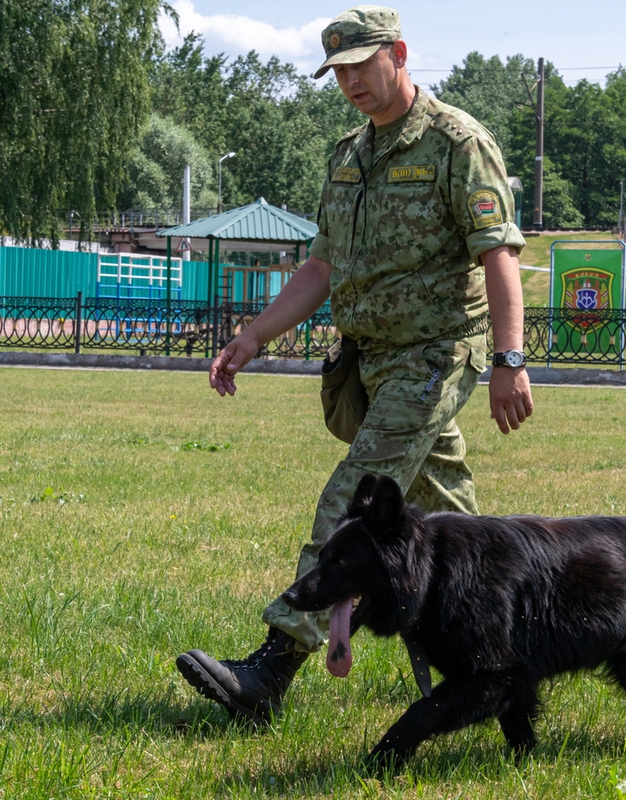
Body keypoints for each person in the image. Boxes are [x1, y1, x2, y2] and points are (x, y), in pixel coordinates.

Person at [176, 4, 533, 722]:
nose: (349, 83)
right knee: (454, 530)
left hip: (436, 357)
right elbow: (322, 266)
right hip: (371, 363)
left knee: (355, 501)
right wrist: (253, 337)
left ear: (398, 54)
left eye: (360, 66)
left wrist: (508, 360)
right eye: (337, 72)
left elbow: (500, 253)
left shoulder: (457, 142)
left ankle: (272, 671)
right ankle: (497, 667)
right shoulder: (349, 153)